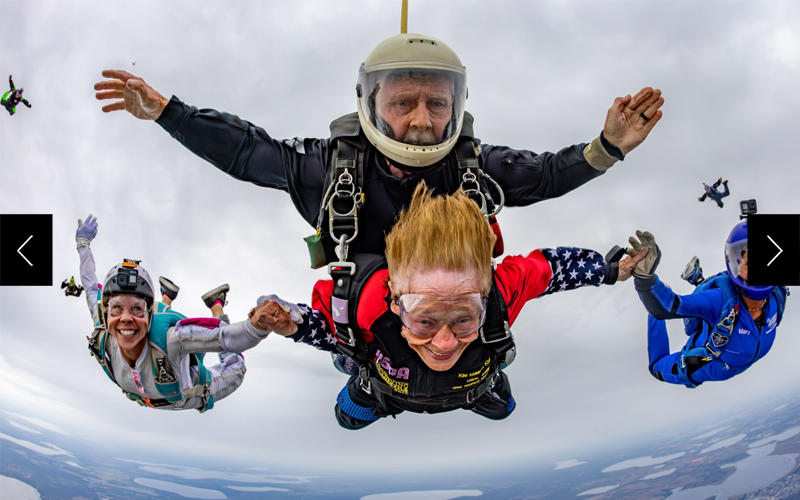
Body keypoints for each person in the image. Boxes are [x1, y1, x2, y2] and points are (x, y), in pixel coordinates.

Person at [94, 33, 664, 262]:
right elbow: (248, 152)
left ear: (458, 106)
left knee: (484, 348)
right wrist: (170, 113)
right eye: (402, 102)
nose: (421, 120)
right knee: (359, 349)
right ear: (370, 103)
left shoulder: (473, 164)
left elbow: (546, 174)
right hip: (369, 318)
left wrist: (608, 146)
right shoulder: (332, 164)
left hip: (455, 315)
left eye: (437, 103)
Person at [249, 184, 648, 429]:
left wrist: (613, 270)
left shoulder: (499, 291)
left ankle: (484, 372)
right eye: (424, 320)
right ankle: (358, 370)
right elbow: (331, 328)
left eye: (463, 318)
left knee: (504, 409)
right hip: (388, 391)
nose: (444, 342)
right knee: (347, 415)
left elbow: (554, 268)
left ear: (484, 294)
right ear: (394, 299)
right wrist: (292, 323)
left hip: (468, 388)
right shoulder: (364, 300)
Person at [74, 214, 275, 411]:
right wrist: (83, 244)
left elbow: (226, 337)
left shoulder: (174, 340)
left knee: (236, 368)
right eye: (117, 307)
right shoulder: (103, 328)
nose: (125, 318)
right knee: (146, 329)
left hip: (193, 391)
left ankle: (216, 305)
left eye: (136, 308)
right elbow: (90, 285)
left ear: (149, 314)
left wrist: (258, 326)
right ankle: (167, 298)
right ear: (106, 312)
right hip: (161, 382)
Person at [629, 226, 789, 388]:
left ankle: (698, 280)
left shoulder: (777, 292)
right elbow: (667, 307)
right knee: (657, 367)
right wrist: (645, 280)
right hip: (708, 364)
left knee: (708, 307)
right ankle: (661, 308)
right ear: (737, 267)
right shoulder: (719, 300)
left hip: (723, 338)